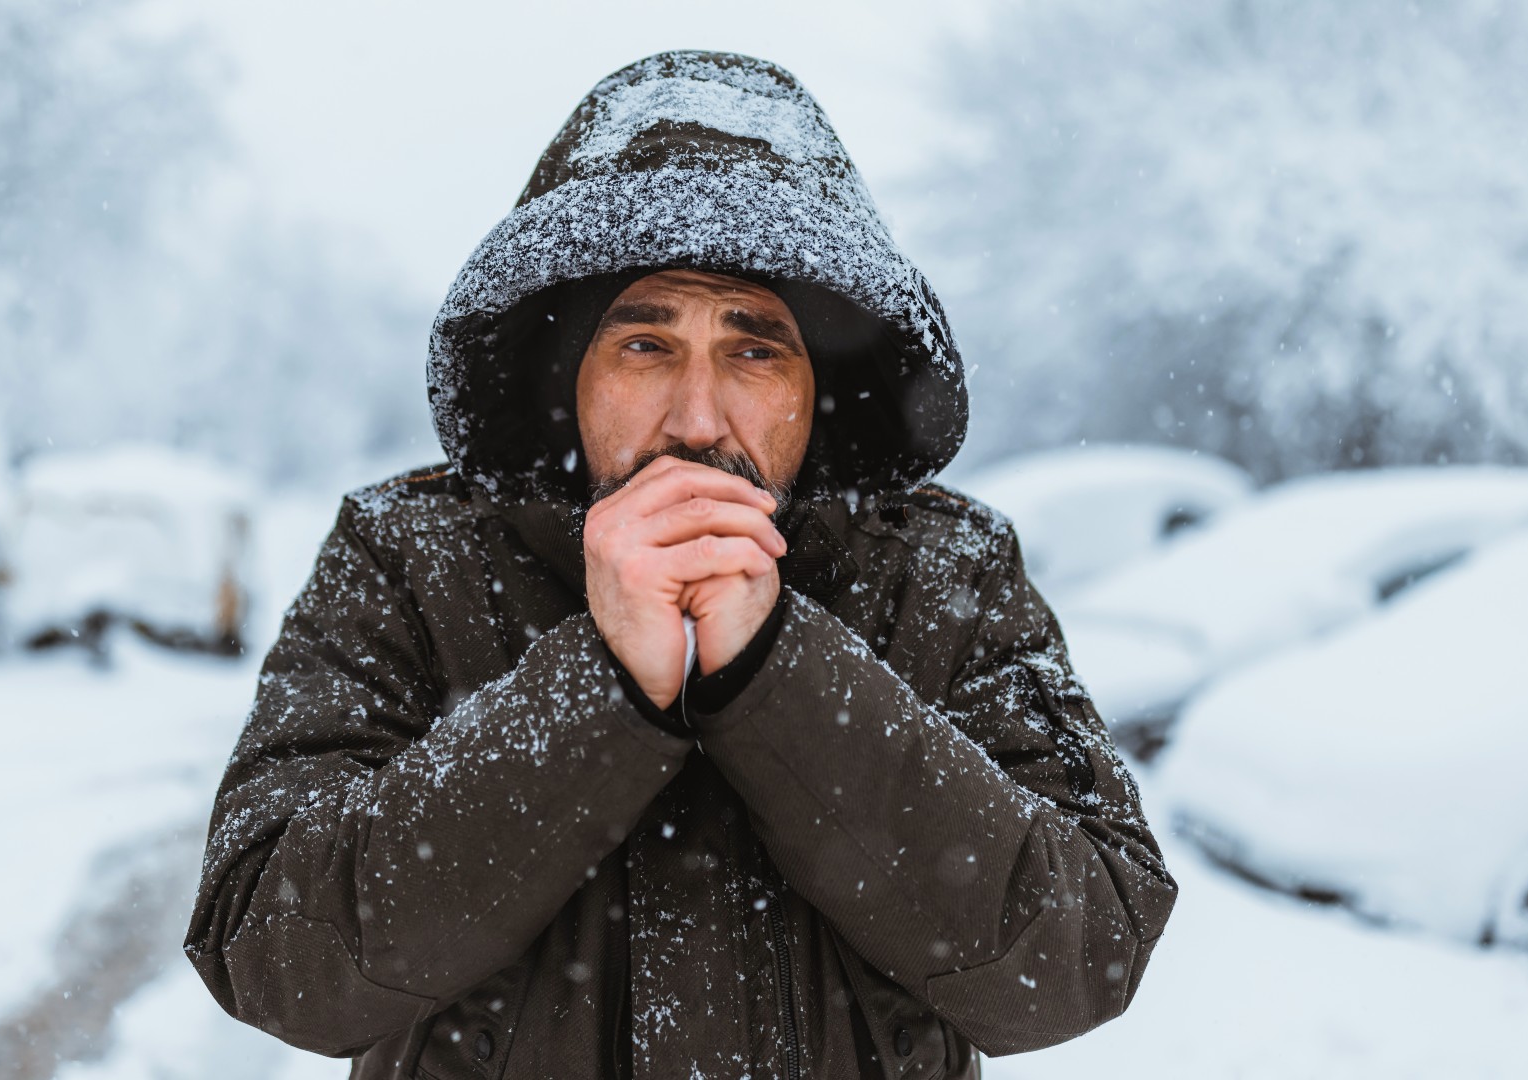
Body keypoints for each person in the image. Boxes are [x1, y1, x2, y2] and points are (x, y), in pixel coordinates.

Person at [186, 50, 1175, 1080]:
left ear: (821, 388)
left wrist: (775, 671)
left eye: (754, 351)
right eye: (646, 346)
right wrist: (602, 685)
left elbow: (1081, 959)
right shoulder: (410, 558)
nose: (699, 420)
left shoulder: (945, 574)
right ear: (565, 374)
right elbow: (274, 958)